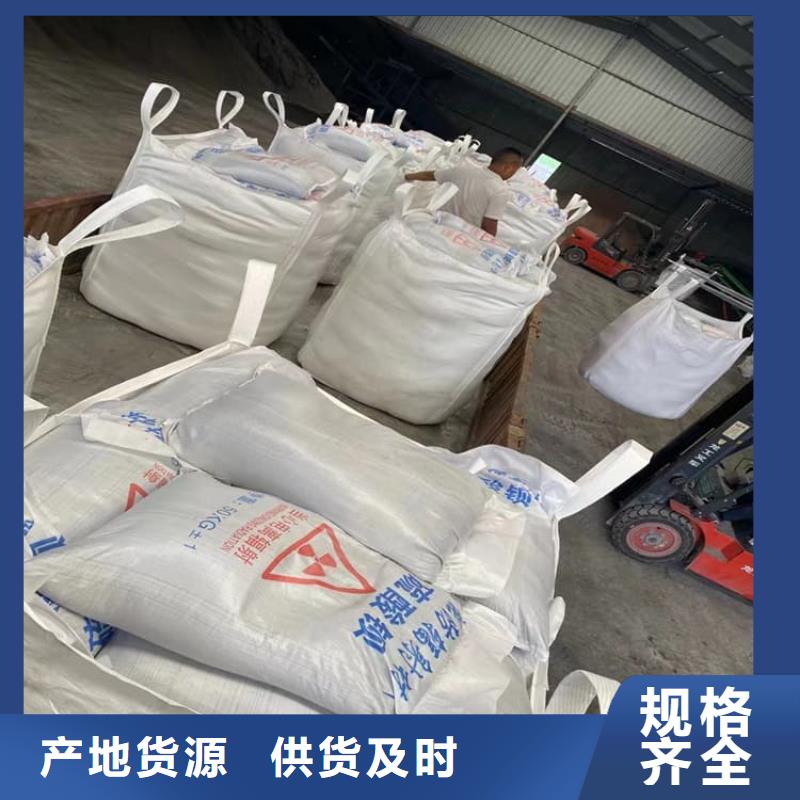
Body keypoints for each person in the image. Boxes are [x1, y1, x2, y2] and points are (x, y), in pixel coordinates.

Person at [404, 147, 524, 236]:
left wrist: (407, 176)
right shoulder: (501, 191)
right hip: (458, 236)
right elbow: (489, 224)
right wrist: (489, 246)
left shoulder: (463, 170)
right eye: (515, 171)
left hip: (433, 225)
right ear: (508, 167)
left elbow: (430, 175)